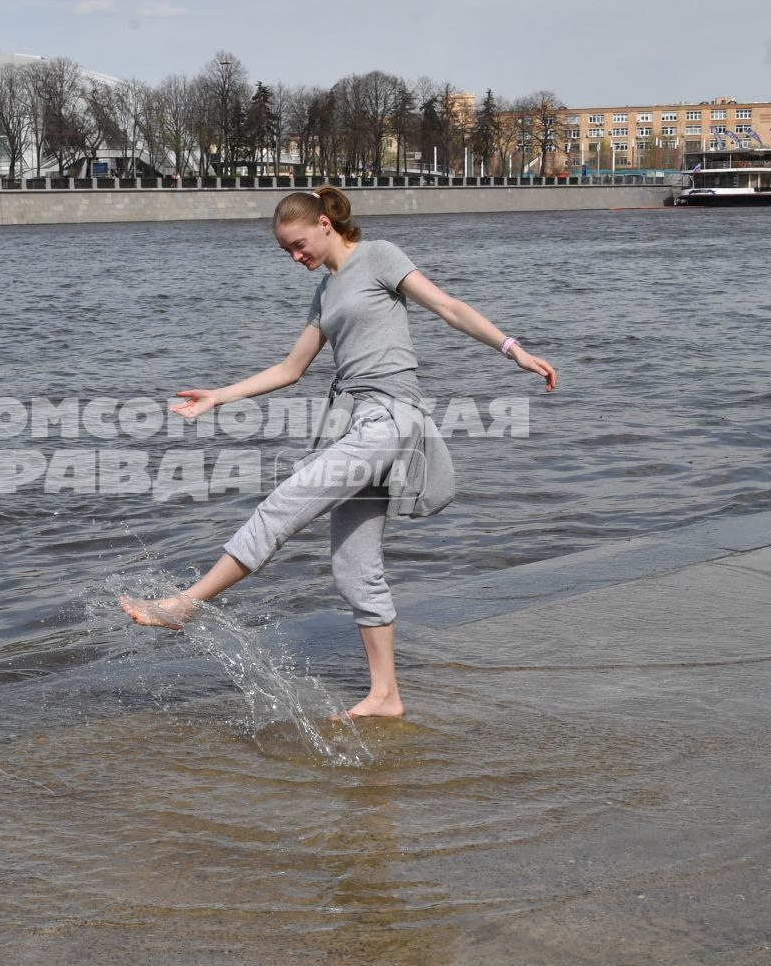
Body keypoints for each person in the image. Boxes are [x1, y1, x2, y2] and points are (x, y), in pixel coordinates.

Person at [120, 185, 558, 719]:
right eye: (287, 252)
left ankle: (184, 605)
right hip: (360, 426)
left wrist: (514, 351)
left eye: (300, 245)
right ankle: (385, 696)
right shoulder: (325, 293)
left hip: (391, 421)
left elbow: (448, 307)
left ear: (326, 223)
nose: (297, 257)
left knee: (284, 502)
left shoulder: (379, 256)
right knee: (354, 567)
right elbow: (290, 369)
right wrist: (218, 396)